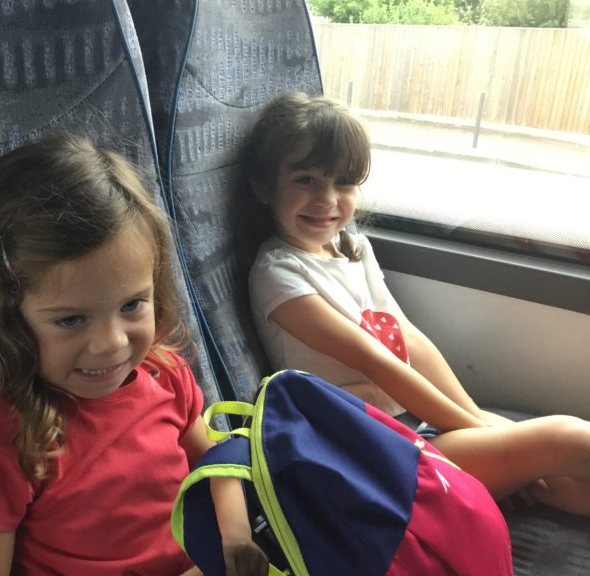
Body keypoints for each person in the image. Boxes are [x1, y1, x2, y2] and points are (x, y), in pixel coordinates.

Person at [0, 133, 268, 575]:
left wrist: (236, 536)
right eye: (71, 320)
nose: (113, 343)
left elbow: (215, 463)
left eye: (132, 305)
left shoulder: (164, 373)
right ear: (8, 317)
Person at [244, 91, 590, 517]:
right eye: (305, 180)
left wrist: (475, 417)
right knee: (569, 438)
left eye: (344, 182)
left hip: (410, 426)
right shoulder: (277, 276)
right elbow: (375, 361)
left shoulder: (351, 249)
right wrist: (474, 430)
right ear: (264, 187)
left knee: (566, 479)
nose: (327, 199)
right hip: (364, 452)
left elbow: (407, 339)